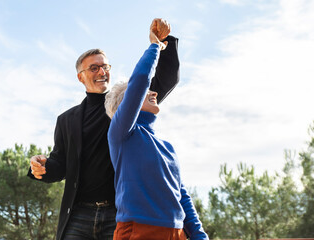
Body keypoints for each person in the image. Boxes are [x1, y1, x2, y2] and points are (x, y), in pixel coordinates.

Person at [27, 18, 180, 240]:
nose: (102, 71)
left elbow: (166, 79)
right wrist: (40, 168)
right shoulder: (66, 120)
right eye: (94, 67)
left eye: (105, 66)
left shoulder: (126, 105)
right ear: (81, 76)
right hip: (78, 214)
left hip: (119, 214)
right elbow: (59, 167)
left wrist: (163, 42)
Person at [105, 20, 208, 240]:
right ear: (127, 103)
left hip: (177, 233)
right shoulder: (123, 135)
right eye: (146, 91)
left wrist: (199, 235)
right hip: (139, 231)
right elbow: (140, 81)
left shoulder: (167, 147)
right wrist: (154, 47)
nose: (153, 93)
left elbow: (182, 195)